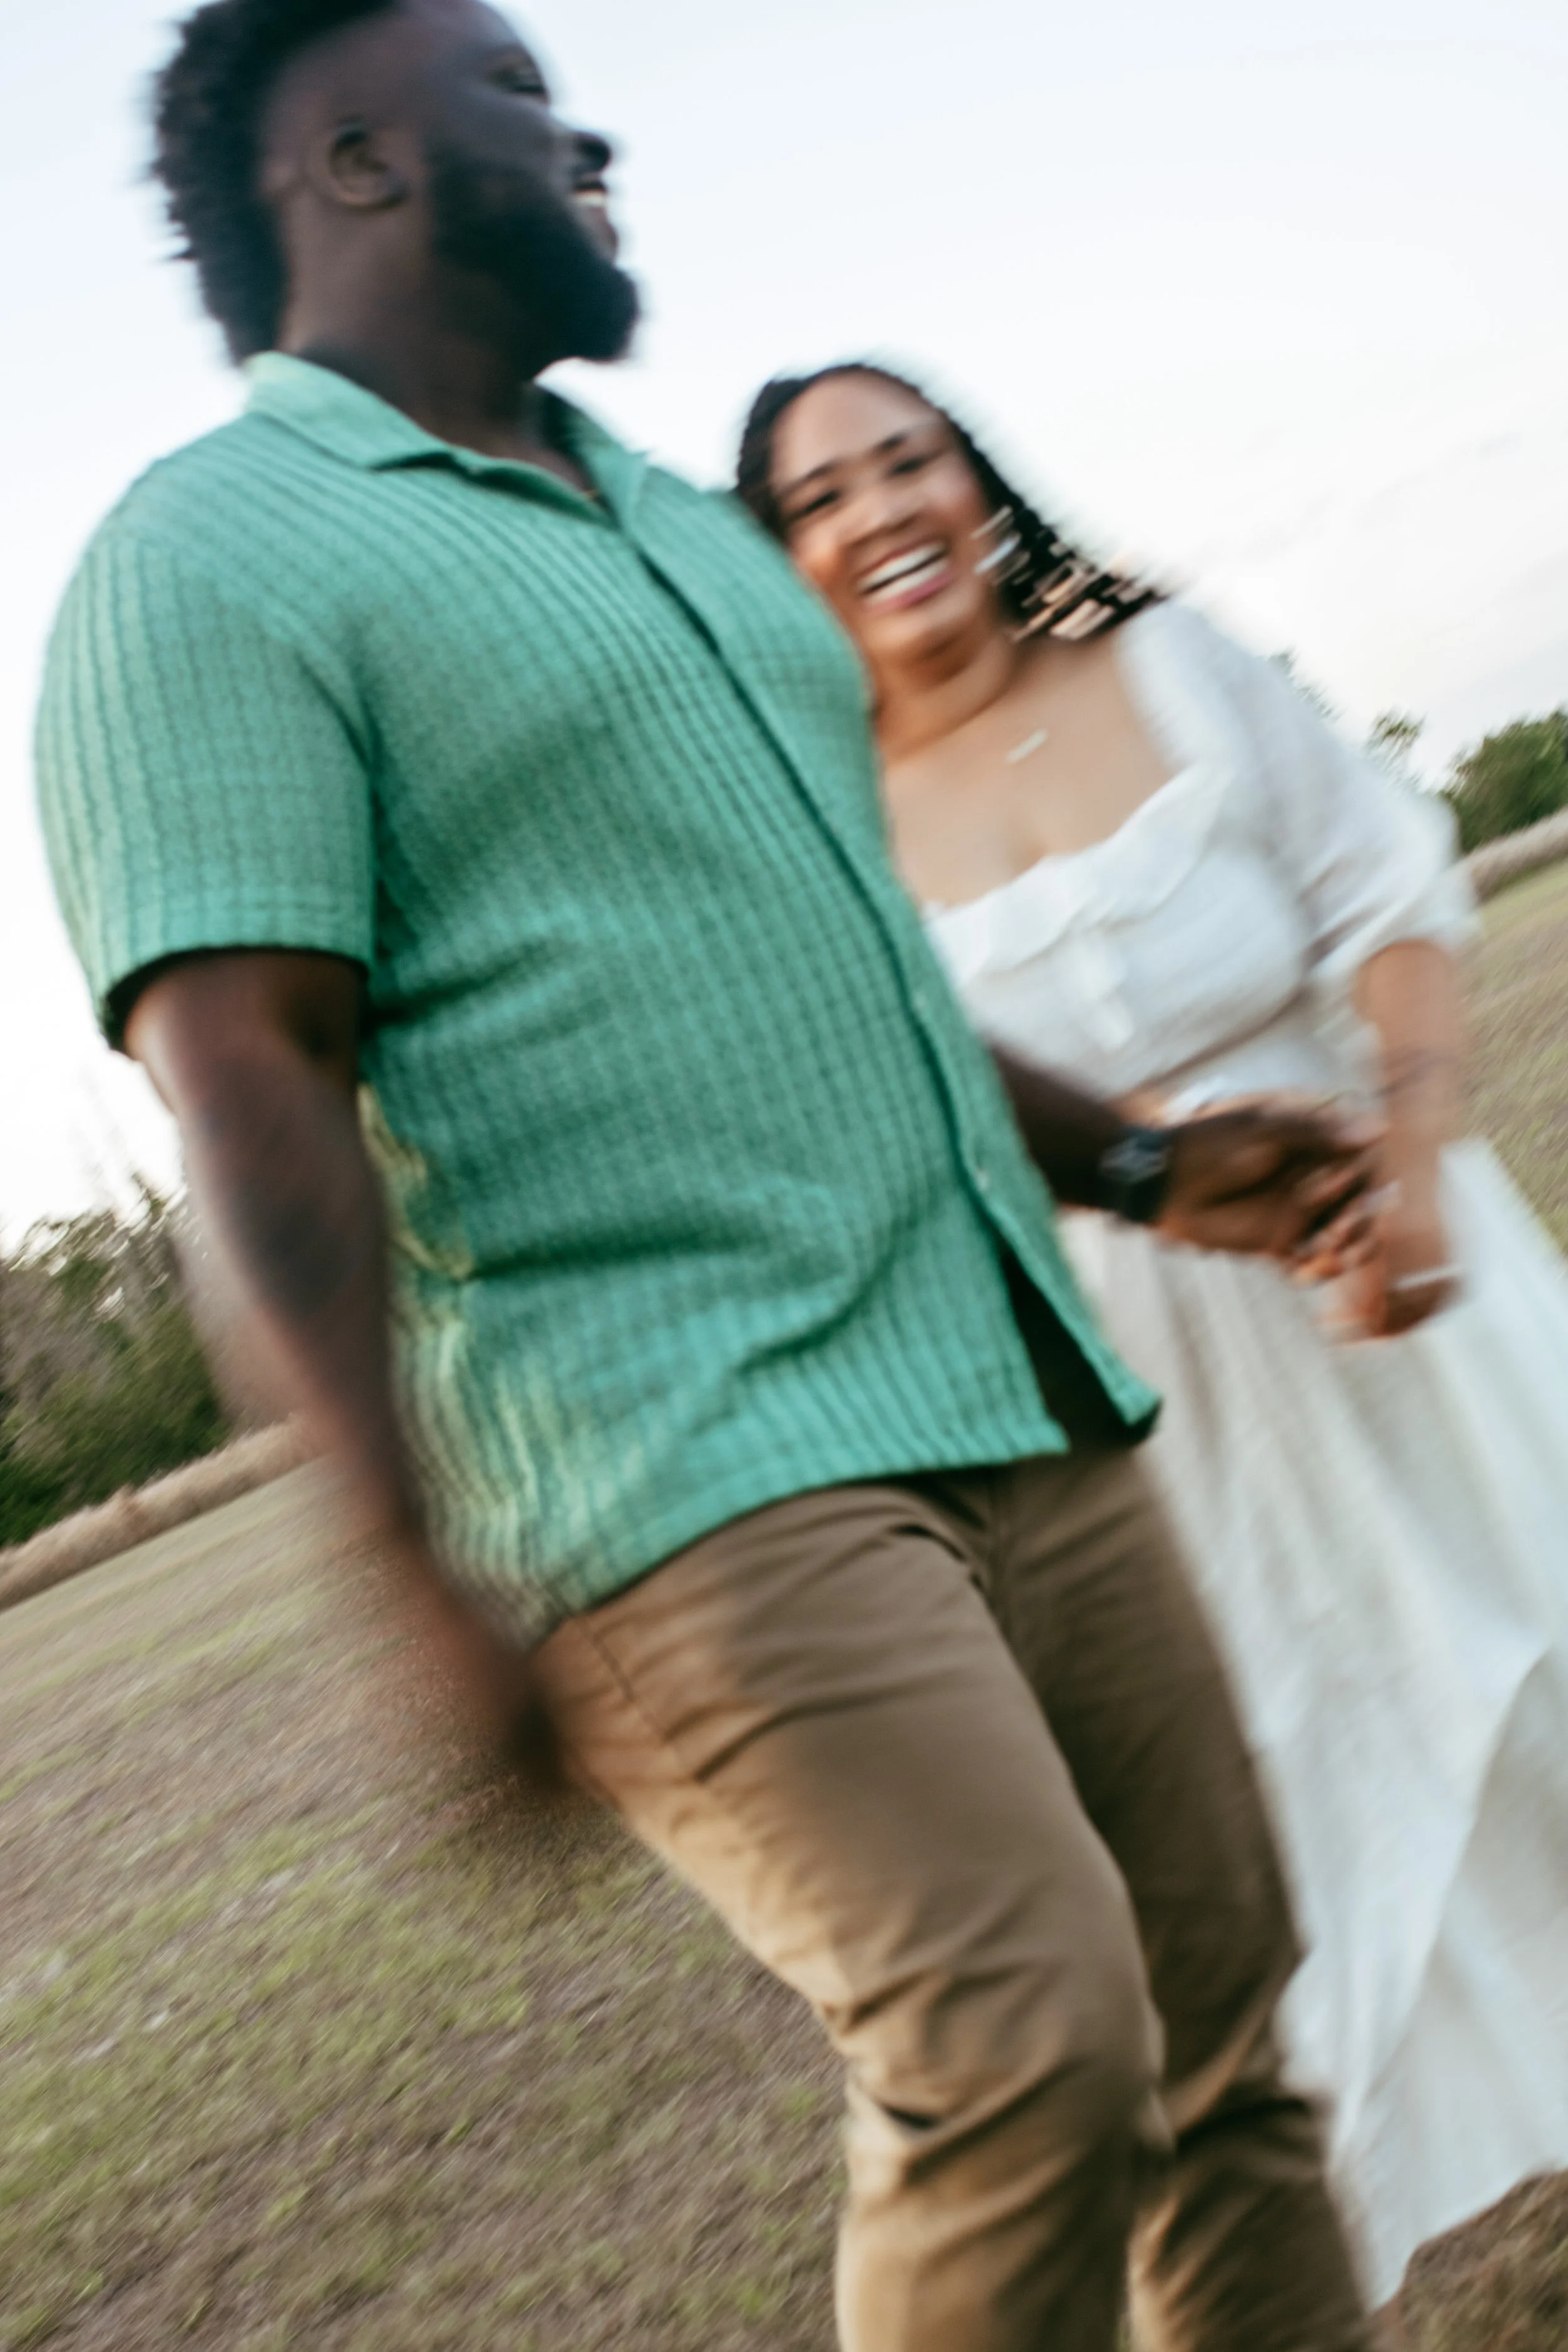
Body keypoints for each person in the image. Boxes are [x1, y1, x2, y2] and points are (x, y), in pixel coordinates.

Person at [32, 6, 1384, 2348]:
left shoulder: (683, 525)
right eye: (507, 86)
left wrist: (1155, 1159)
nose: (582, 131)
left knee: (1225, 2030)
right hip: (680, 1466)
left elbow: (846, 974)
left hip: (1010, 1382)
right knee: (1016, 2038)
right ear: (351, 162)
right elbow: (249, 1081)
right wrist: (406, 1562)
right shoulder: (205, 558)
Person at [738, 358, 1568, 2307]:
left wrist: (1411, 1174)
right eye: (820, 499)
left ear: (979, 483)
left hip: (1408, 1278)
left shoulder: (1169, 659)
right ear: (778, 564)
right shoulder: (809, 827)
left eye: (910, 460)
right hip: (1144, 1404)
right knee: (1300, 1809)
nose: (881, 512)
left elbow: (1385, 886)